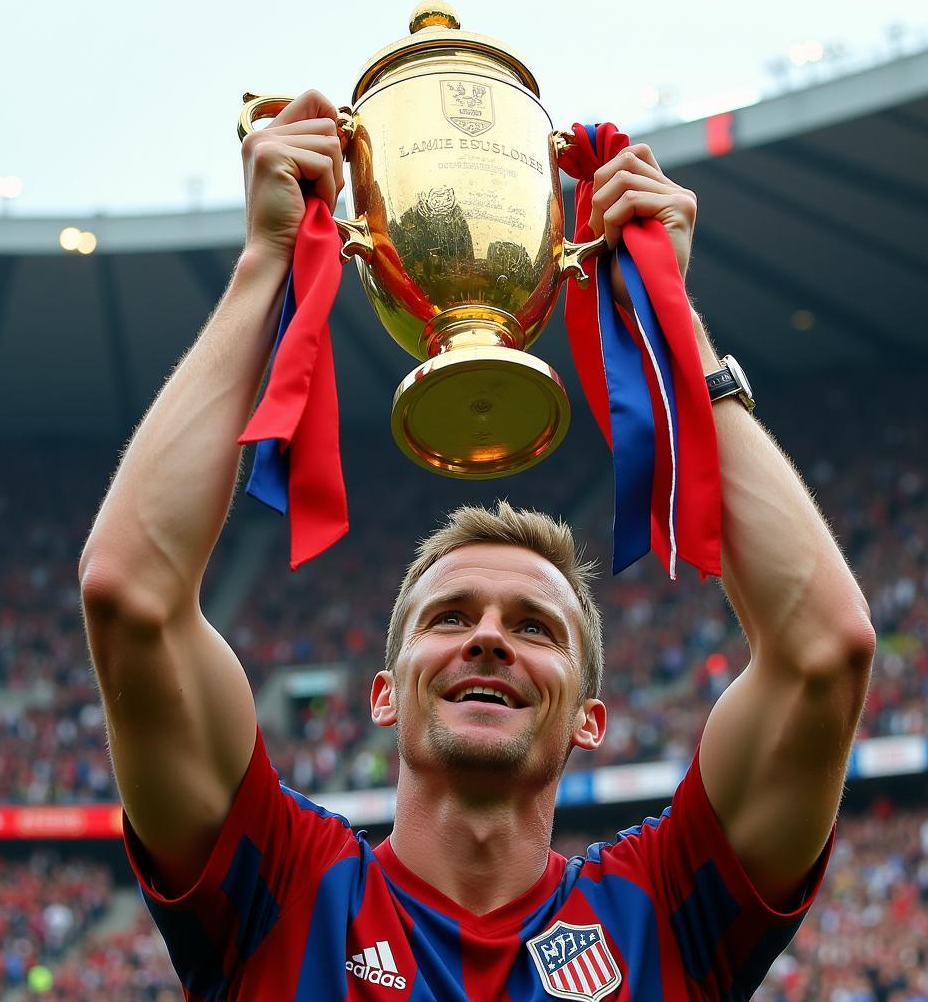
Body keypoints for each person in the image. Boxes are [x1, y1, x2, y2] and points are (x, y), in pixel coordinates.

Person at [79, 89, 876, 1000]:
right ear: (384, 694)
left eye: (536, 628)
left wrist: (671, 322)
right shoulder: (289, 891)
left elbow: (827, 652)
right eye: (450, 616)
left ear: (589, 715)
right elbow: (129, 596)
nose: (488, 636)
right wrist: (267, 261)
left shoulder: (659, 914)